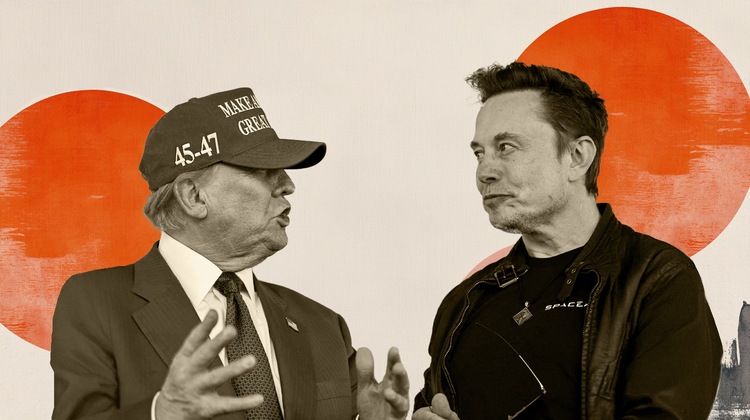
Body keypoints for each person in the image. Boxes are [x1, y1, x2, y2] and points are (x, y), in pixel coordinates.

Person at [50, 87, 409, 420]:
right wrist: (162, 414)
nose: (287, 184)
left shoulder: (324, 326)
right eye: (260, 170)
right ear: (193, 197)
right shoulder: (96, 303)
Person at [413, 62, 722, 419]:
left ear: (577, 157)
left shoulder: (656, 279)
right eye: (479, 154)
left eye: (506, 147)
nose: (485, 172)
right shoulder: (465, 300)